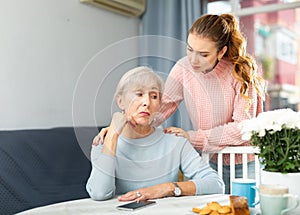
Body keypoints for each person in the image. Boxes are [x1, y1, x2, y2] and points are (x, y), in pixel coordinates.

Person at [93, 14, 266, 194]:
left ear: (221, 52)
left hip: (246, 163)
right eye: (190, 49)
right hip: (210, 159)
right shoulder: (183, 68)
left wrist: (193, 138)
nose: (193, 60)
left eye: (203, 54)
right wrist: (119, 126)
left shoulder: (240, 73)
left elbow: (243, 130)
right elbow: (158, 110)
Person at [86, 66, 224, 201]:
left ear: (159, 104)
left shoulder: (175, 142)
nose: (146, 102)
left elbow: (215, 184)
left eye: (154, 96)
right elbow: (100, 193)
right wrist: (113, 134)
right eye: (139, 94)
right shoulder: (103, 142)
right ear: (121, 101)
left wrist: (167, 188)